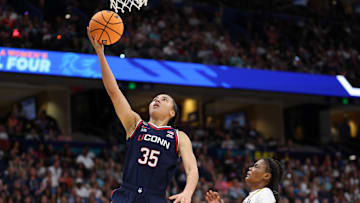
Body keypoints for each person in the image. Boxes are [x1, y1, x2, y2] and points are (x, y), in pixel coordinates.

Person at [87, 28, 199, 203]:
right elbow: (114, 91)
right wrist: (100, 54)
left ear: (172, 112)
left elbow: (192, 169)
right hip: (126, 194)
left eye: (164, 99)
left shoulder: (179, 137)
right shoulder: (135, 124)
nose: (157, 100)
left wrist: (188, 192)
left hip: (154, 198)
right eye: (155, 98)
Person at [205, 158, 283, 203]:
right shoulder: (250, 197)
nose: (250, 168)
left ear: (266, 175)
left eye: (256, 166)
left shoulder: (265, 193)